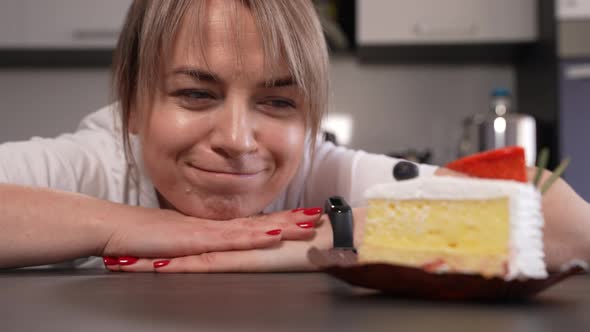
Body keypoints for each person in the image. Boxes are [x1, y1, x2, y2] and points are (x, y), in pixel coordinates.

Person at [1, 0, 589, 273]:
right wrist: (131, 226)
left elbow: (559, 219)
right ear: (132, 102)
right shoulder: (101, 163)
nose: (237, 138)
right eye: (195, 94)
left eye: (279, 102)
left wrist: (319, 238)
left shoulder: (320, 173)